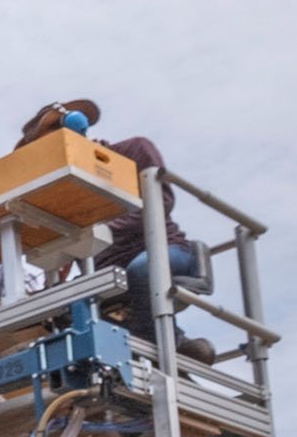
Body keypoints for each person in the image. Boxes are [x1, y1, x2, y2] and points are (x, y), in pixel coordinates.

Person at [22, 100, 210, 336]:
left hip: (164, 251)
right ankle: (172, 348)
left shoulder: (132, 151)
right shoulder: (65, 192)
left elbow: (160, 202)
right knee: (58, 307)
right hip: (104, 271)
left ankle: (162, 343)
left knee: (141, 270)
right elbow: (63, 253)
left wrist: (98, 230)